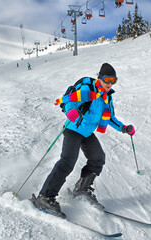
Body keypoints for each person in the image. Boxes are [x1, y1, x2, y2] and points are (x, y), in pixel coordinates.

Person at [31, 63, 135, 218]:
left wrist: (123, 128)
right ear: (100, 77)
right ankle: (45, 197)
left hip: (86, 133)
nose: (109, 84)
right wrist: (71, 110)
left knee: (98, 158)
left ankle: (82, 189)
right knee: (68, 161)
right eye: (107, 79)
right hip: (73, 129)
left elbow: (111, 117)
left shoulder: (107, 98)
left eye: (114, 81)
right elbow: (71, 101)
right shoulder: (88, 89)